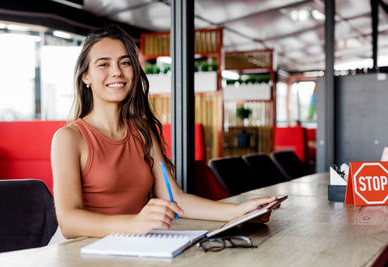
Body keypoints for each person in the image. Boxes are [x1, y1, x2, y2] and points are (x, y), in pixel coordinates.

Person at [51, 24, 277, 239]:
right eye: (103, 64)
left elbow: (175, 198)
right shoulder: (69, 138)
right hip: (80, 249)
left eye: (125, 63)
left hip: (133, 244)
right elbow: (69, 223)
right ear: (85, 77)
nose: (117, 72)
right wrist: (134, 224)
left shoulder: (142, 130)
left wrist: (240, 212)